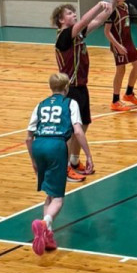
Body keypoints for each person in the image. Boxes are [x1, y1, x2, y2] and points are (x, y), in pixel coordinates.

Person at [26, 72, 93, 256]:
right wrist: (88, 155)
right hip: (56, 146)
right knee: (58, 198)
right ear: (67, 88)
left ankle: (47, 235)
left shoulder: (40, 105)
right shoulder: (70, 103)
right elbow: (78, 131)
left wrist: (33, 160)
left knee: (50, 193)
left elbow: (28, 137)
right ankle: (44, 223)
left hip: (38, 146)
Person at [52, 0, 114, 181]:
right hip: (69, 88)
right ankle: (64, 169)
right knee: (71, 130)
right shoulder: (64, 35)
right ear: (61, 20)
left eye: (74, 12)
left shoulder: (77, 34)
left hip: (81, 85)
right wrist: (98, 5)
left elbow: (98, 21)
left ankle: (73, 160)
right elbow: (86, 20)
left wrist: (112, 4)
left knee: (84, 123)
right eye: (69, 13)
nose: (74, 15)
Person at [105, 0, 137, 111]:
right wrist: (117, 46)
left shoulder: (126, 6)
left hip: (128, 41)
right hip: (118, 44)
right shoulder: (111, 10)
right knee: (121, 70)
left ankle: (129, 94)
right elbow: (107, 32)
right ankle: (115, 101)